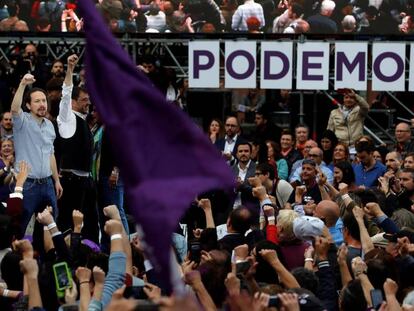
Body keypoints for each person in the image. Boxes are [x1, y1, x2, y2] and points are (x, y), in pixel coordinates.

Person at [10, 73, 62, 235]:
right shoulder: (21, 122)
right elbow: (13, 108)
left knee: (49, 229)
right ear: (28, 105)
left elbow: (50, 154)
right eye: (37, 101)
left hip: (47, 184)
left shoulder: (50, 125)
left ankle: (45, 258)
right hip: (27, 184)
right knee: (19, 228)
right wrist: (23, 84)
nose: (42, 104)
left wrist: (56, 181)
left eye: (44, 101)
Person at [56, 54, 99, 243]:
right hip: (70, 183)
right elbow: (66, 92)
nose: (88, 103)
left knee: (89, 226)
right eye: (84, 100)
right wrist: (70, 69)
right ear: (73, 102)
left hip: (85, 183)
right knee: (68, 225)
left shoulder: (84, 122)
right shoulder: (66, 118)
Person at [231, 143, 256, 208]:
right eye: (240, 151)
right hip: (232, 208)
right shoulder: (230, 170)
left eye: (246, 151)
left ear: (251, 153)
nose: (243, 153)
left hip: (250, 209)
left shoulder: (257, 169)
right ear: (236, 154)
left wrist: (242, 186)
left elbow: (259, 191)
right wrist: (235, 188)